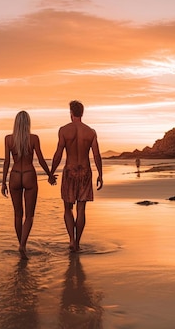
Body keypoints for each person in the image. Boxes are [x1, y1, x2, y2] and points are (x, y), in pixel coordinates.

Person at [50, 100, 103, 252]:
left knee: (67, 209)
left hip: (70, 171)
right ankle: (78, 242)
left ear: (71, 113)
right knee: (81, 210)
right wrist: (100, 174)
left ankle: (71, 240)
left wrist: (52, 172)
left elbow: (58, 153)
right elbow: (97, 155)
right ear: (82, 113)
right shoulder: (90, 132)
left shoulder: (64, 130)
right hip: (85, 171)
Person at [2, 111, 55, 259]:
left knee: (18, 214)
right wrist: (50, 175)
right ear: (28, 123)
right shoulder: (33, 138)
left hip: (14, 175)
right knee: (29, 215)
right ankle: (23, 245)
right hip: (29, 175)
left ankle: (21, 245)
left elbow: (7, 162)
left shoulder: (8, 139)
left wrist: (3, 182)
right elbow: (41, 159)